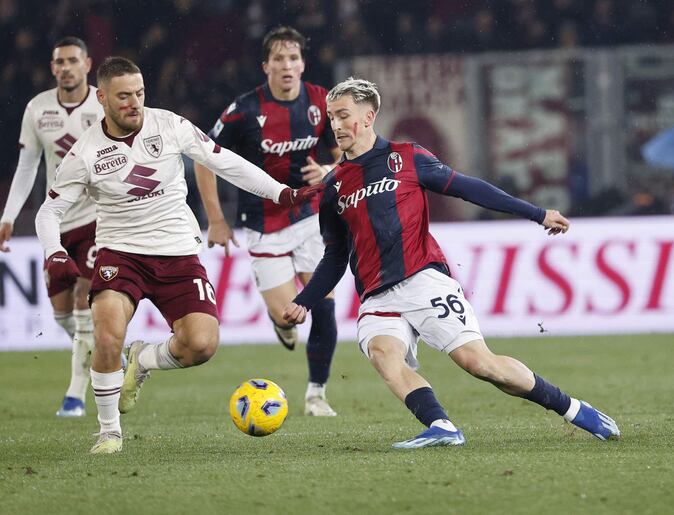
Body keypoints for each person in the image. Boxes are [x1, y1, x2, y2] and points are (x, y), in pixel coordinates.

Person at [283, 78, 621, 448]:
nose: (335, 125)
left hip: (424, 280)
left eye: (343, 115)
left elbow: (469, 187)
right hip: (377, 297)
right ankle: (442, 426)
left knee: (480, 364)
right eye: (331, 117)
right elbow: (335, 255)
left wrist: (537, 213)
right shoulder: (333, 187)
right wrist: (305, 301)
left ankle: (573, 408)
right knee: (384, 355)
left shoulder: (407, 157)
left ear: (368, 116)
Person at [35, 56, 321, 454]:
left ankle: (143, 359)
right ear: (101, 98)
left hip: (178, 253)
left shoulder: (170, 125)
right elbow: (49, 210)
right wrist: (54, 252)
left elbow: (226, 162)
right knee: (105, 334)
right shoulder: (85, 153)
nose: (134, 102)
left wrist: (281, 192)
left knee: (201, 345)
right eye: (123, 97)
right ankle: (109, 432)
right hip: (121, 254)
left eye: (139, 93)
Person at [194, 26, 342, 416]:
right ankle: (281, 324)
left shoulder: (321, 101)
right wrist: (216, 220)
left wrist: (329, 167)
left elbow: (353, 145)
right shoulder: (243, 110)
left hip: (311, 218)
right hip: (263, 226)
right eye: (279, 59)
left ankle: (316, 394)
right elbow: (203, 157)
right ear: (266, 66)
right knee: (288, 314)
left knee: (323, 306)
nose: (287, 65)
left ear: (303, 63)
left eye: (294, 58)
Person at [0, 37, 102, 418]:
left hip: (98, 219)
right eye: (60, 62)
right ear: (52, 67)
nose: (67, 67)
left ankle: (75, 395)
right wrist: (9, 216)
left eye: (74, 60)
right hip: (56, 221)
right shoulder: (38, 108)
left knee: (83, 305)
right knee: (61, 315)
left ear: (88, 64)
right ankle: (107, 350)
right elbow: (28, 167)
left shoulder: (104, 102)